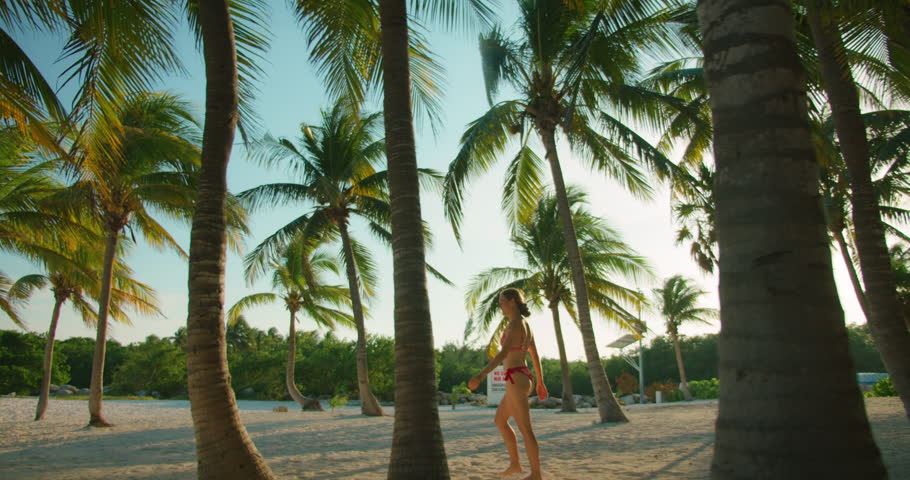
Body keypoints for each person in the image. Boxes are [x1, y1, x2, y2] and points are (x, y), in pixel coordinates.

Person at [468, 287, 548, 480]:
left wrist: (480, 375)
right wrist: (540, 382)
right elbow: (535, 356)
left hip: (515, 379)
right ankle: (515, 464)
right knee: (500, 420)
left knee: (525, 428)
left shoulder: (514, 325)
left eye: (502, 302)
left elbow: (503, 354)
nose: (500, 306)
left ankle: (536, 474)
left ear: (512, 301)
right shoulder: (525, 324)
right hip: (522, 377)